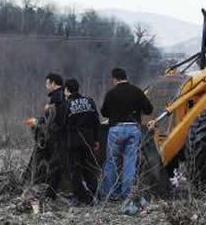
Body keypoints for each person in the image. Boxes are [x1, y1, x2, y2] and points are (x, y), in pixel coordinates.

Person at [99, 68, 153, 201]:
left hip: (116, 129)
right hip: (133, 129)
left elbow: (104, 113)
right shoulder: (137, 91)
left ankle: (111, 193)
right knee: (130, 162)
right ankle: (128, 194)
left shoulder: (111, 93)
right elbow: (149, 109)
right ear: (125, 77)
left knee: (112, 162)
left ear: (114, 79)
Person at [62, 78, 100, 205]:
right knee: (89, 168)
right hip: (89, 140)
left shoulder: (66, 104)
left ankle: (81, 198)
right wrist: (96, 139)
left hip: (73, 141)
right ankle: (94, 194)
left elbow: (63, 124)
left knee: (75, 170)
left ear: (67, 90)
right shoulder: (89, 101)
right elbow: (96, 121)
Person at [43, 73, 68, 199]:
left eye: (48, 83)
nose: (47, 86)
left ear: (53, 83)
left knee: (55, 164)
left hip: (58, 135)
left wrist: (47, 111)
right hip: (66, 134)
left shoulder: (57, 96)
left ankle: (50, 193)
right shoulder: (65, 94)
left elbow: (54, 118)